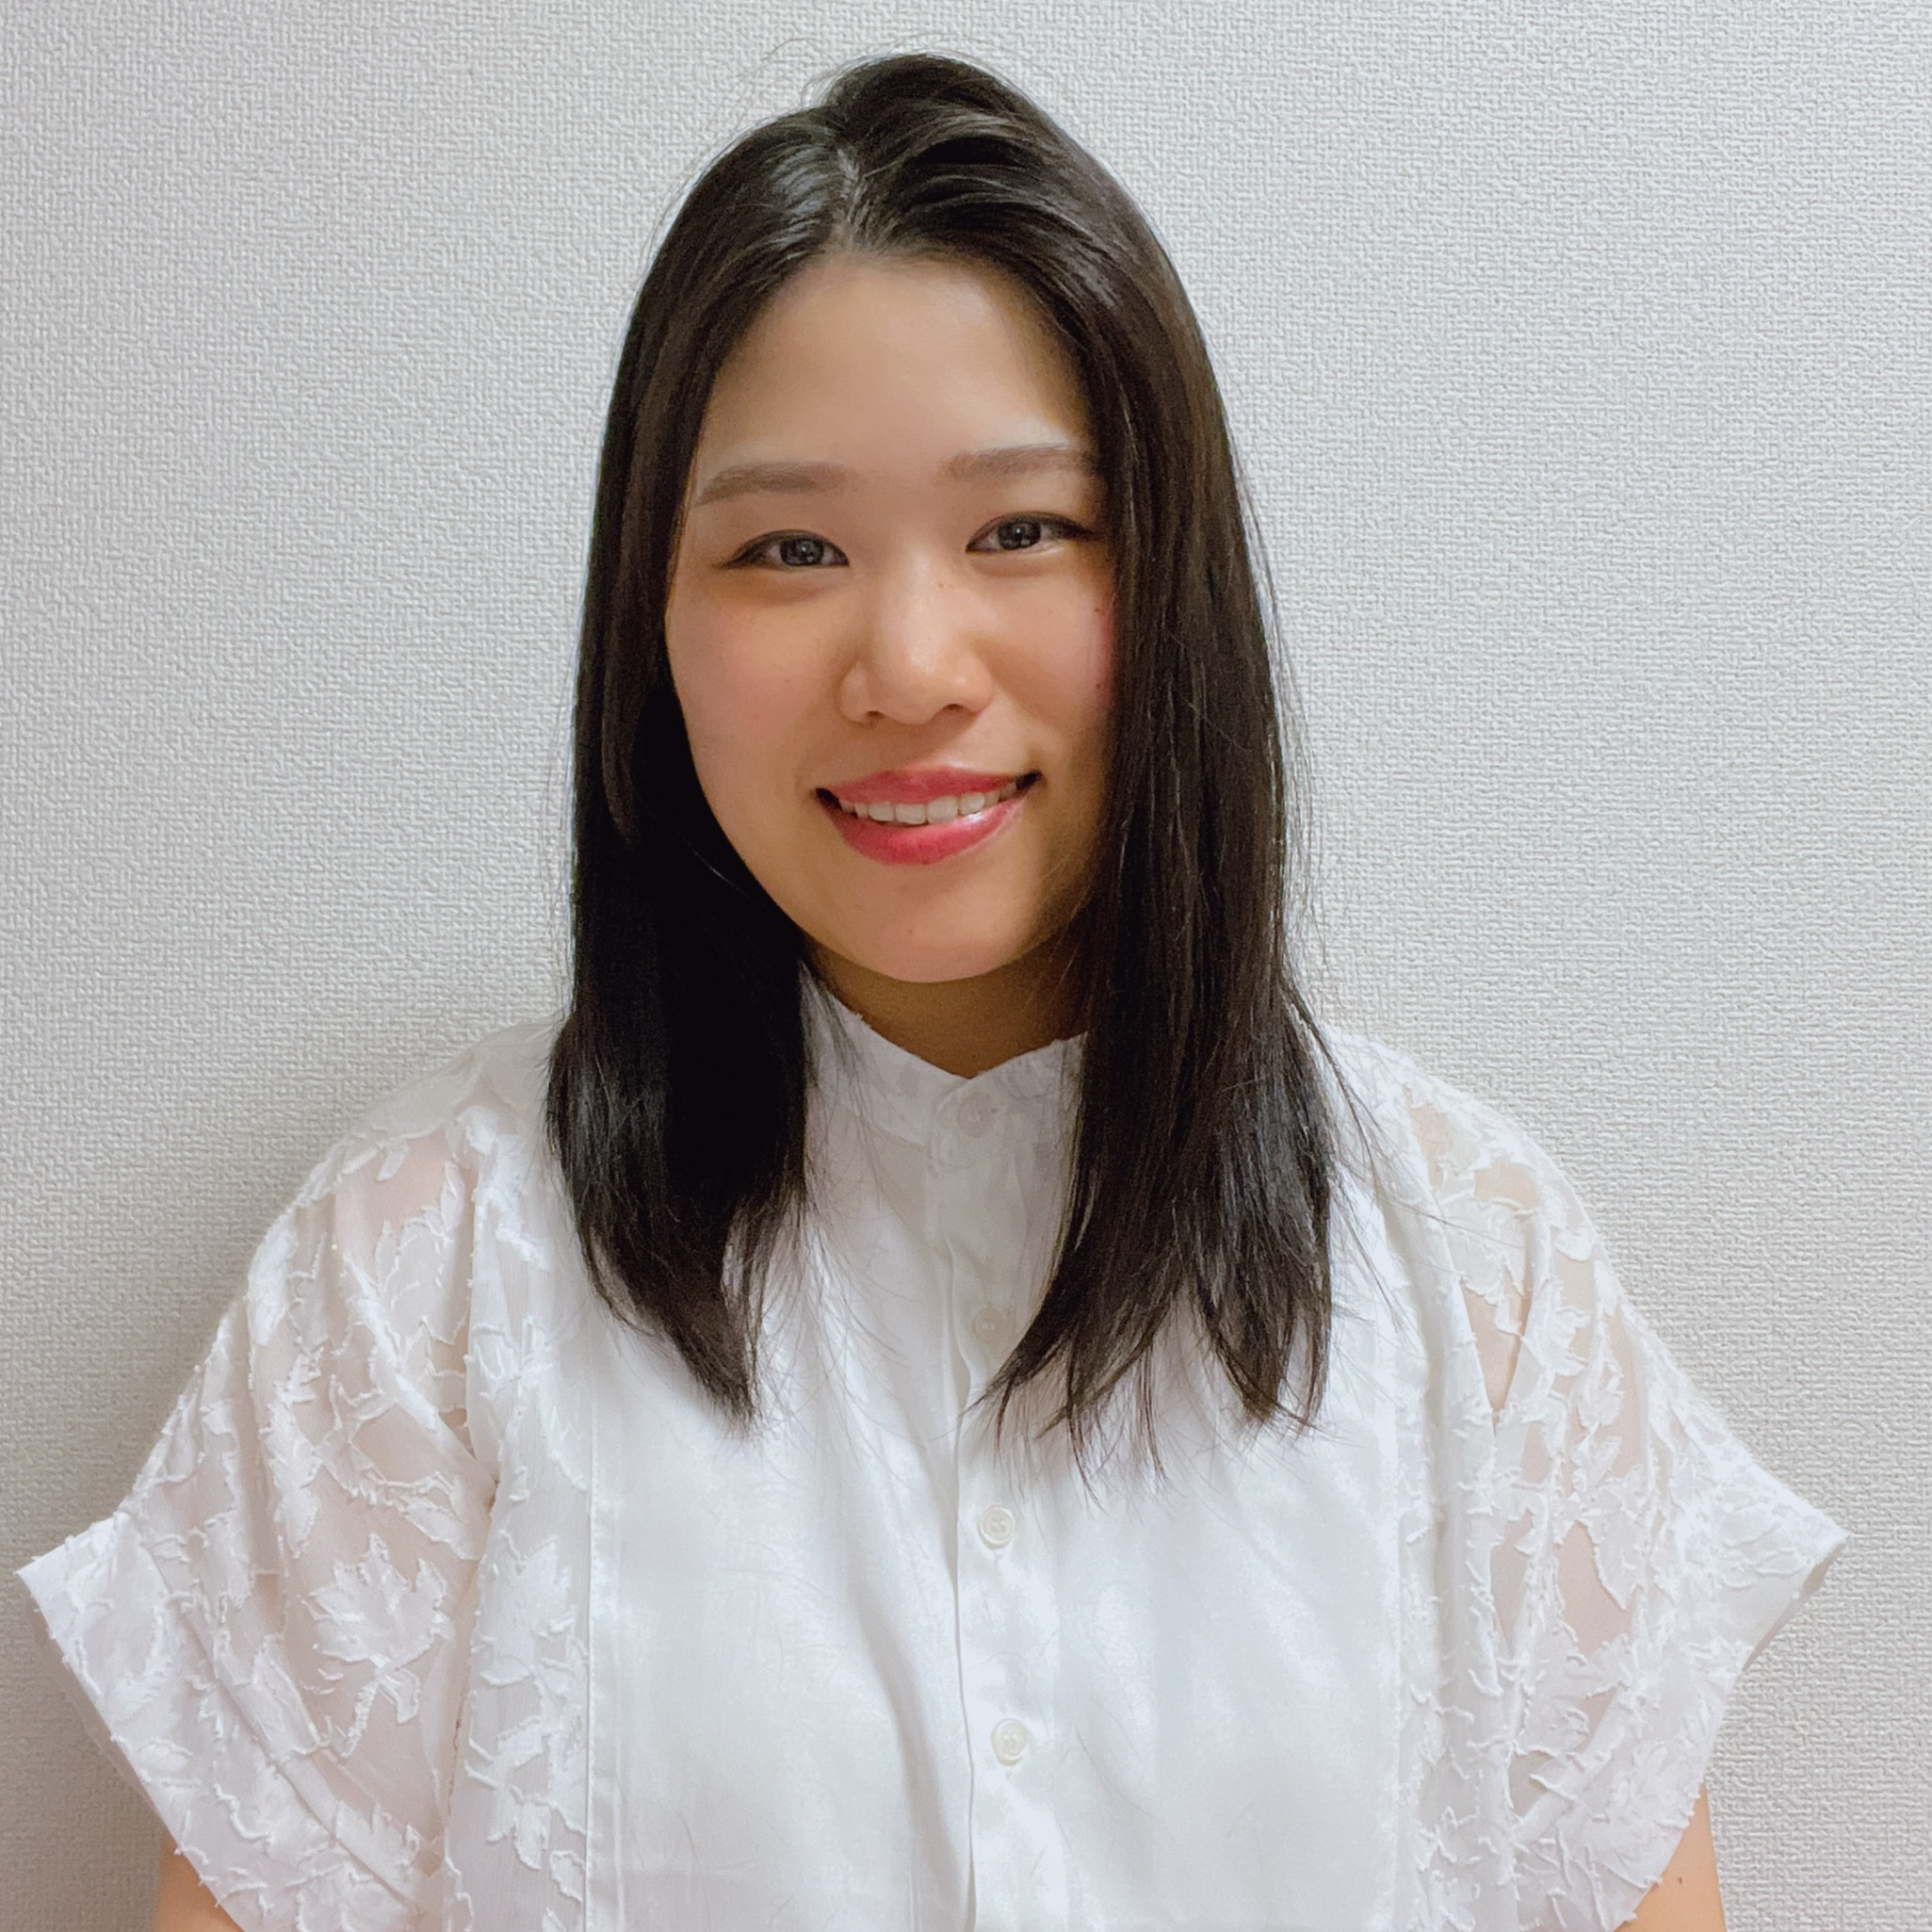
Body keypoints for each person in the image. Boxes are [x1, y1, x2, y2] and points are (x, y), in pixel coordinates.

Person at [20, 51, 1843, 1932]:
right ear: (652, 622)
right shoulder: (422, 1277)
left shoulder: (1472, 1270)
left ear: (1174, 580)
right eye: (788, 548)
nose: (907, 662)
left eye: (1020, 530)